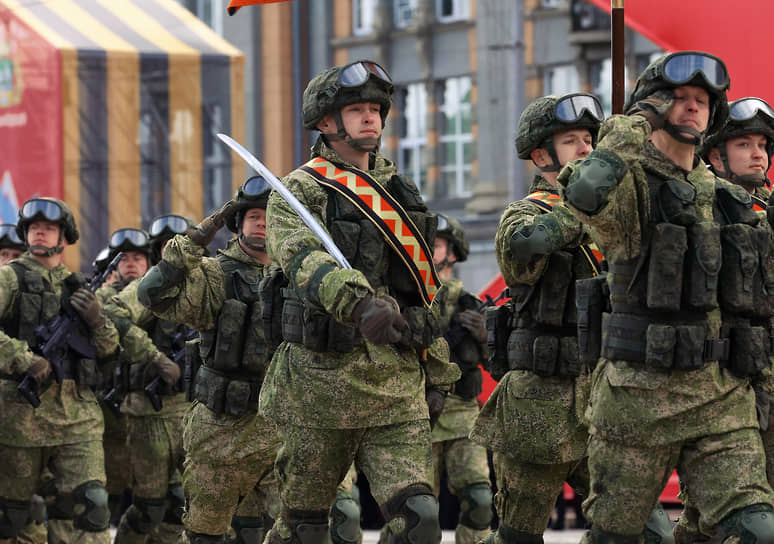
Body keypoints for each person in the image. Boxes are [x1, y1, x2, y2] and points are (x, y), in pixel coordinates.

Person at [559, 50, 774, 543]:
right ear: (653, 106)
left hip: (721, 399)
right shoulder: (629, 184)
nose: (693, 107)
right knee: (620, 536)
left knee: (757, 529)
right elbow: (585, 195)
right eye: (679, 98)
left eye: (702, 100)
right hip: (637, 402)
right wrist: (630, 127)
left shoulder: (728, 197)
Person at [260, 59, 459, 544]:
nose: (371, 118)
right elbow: (304, 260)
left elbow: (422, 291)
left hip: (394, 387)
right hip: (319, 386)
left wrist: (436, 368)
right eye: (357, 110)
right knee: (305, 530)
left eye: (376, 108)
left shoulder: (398, 192)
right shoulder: (299, 191)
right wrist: (357, 304)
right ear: (327, 123)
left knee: (420, 521)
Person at [470, 93, 619, 544]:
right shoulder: (526, 213)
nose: (586, 150)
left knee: (637, 527)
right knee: (520, 533)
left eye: (590, 140)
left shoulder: (613, 219)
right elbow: (525, 249)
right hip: (540, 403)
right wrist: (582, 204)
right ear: (541, 155)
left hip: (604, 398)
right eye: (572, 141)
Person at [136, 177, 283, 544]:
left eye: (269, 215)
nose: (261, 222)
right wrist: (204, 230)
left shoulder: (296, 276)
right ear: (238, 223)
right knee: (206, 535)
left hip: (282, 430)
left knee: (304, 529)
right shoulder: (215, 275)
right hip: (221, 430)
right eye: (252, 215)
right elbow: (151, 293)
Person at [674, 97, 774, 544]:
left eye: (763, 145)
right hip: (723, 383)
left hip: (766, 373)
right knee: (736, 518)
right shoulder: (700, 209)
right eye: (744, 144)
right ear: (716, 155)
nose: (758, 154)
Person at [0, 197, 119, 544]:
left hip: (77, 418)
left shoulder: (79, 286)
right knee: (13, 519)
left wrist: (97, 320)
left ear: (63, 238)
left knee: (92, 507)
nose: (40, 232)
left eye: (48, 228)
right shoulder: (9, 279)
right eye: (34, 227)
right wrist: (24, 359)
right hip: (19, 420)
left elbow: (111, 350)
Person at [429, 214, 493, 544]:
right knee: (416, 515)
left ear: (453, 253)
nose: (430, 251)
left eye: (437, 245)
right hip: (417, 415)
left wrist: (484, 336)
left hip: (462, 414)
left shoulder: (471, 305)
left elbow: (496, 364)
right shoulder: (410, 301)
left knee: (480, 500)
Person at [95, 228, 153, 527]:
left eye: (138, 257)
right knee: (107, 492)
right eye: (124, 258)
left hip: (153, 411)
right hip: (109, 412)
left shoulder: (160, 298)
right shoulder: (100, 299)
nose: (131, 263)